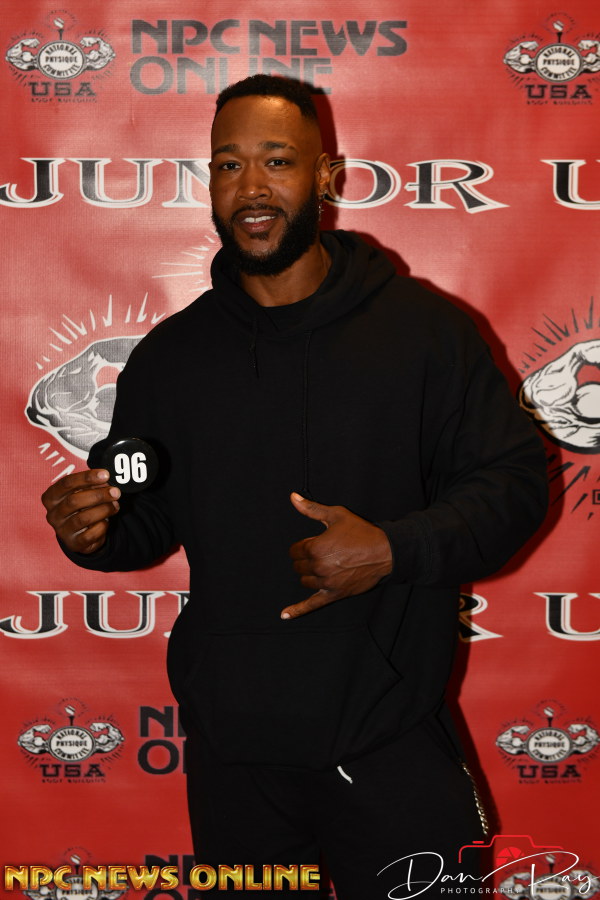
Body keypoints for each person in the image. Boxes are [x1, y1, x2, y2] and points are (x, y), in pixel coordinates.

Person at [42, 75, 548, 898]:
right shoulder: (170, 359)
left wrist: (393, 549)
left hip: (390, 742)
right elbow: (146, 516)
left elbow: (516, 485)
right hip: (237, 763)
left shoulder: (426, 334)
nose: (251, 187)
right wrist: (94, 530)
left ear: (326, 177)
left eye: (277, 161)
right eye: (229, 164)